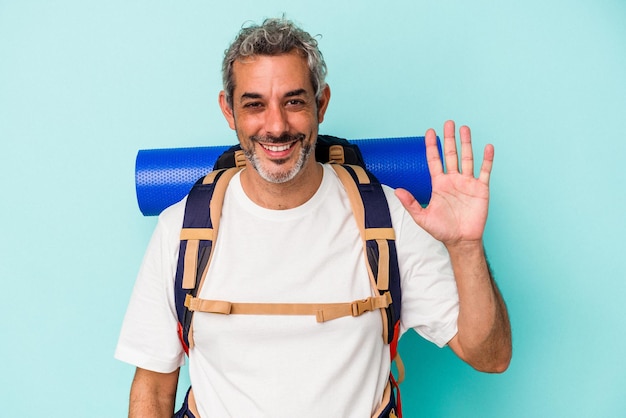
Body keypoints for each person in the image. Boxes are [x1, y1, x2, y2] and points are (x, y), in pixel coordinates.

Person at [115, 17, 512, 417]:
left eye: (294, 101)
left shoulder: (388, 218)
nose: (276, 126)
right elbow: (151, 388)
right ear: (228, 110)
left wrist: (465, 248)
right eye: (254, 104)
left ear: (320, 103)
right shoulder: (180, 230)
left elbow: (489, 355)